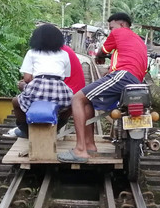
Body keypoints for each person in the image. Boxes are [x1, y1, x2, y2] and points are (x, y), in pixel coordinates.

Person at [59, 12, 148, 162]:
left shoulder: (119, 32)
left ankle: (80, 150)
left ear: (121, 25)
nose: (111, 31)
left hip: (123, 76)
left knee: (77, 99)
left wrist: (99, 57)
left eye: (111, 27)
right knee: (89, 101)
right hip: (135, 83)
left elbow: (102, 51)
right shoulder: (139, 41)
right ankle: (89, 145)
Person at [6, 23, 73, 138]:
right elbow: (66, 75)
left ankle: (25, 130)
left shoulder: (32, 53)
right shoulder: (64, 54)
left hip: (37, 87)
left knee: (16, 101)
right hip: (59, 87)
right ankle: (57, 127)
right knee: (72, 103)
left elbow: (27, 78)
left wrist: (24, 85)